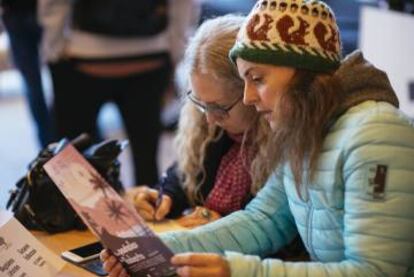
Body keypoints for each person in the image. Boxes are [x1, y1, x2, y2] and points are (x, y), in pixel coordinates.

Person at [102, 0, 414, 276]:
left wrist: (240, 270)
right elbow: (262, 222)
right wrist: (150, 247)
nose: (249, 97)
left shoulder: (375, 134)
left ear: (304, 71)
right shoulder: (305, 128)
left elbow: (376, 270)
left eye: (257, 79)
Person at [131, 15, 272, 228]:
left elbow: (281, 231)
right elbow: (186, 174)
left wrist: (224, 226)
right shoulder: (209, 128)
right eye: (200, 103)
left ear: (252, 92)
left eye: (218, 107)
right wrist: (164, 195)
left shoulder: (285, 146)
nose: (209, 118)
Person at [38, 0, 200, 185]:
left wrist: (54, 48)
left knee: (73, 160)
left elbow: (53, 5)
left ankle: (80, 212)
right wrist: (175, 48)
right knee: (146, 158)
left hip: (83, 55)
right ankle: (148, 209)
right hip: (150, 55)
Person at [0, 0, 55, 148]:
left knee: (40, 85)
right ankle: (49, 144)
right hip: (22, 15)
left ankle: (49, 143)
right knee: (36, 86)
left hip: (39, 13)